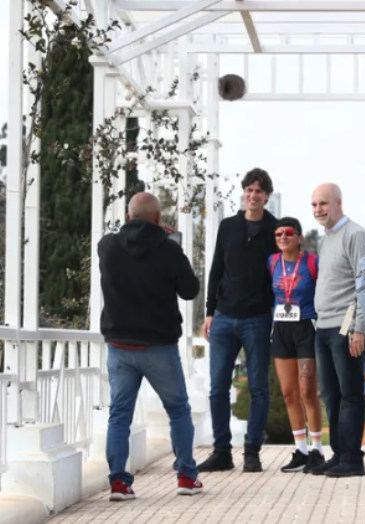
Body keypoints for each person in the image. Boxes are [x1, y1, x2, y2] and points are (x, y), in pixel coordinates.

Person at [98, 192, 203, 500]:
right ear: (159, 220)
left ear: (128, 217)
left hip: (119, 346)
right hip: (159, 347)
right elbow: (190, 290)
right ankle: (186, 477)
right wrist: (171, 244)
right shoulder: (169, 251)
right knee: (178, 411)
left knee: (119, 415)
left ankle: (119, 483)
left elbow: (119, 241)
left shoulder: (107, 247)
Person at [198, 168, 279, 473]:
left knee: (258, 388)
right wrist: (209, 312)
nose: (253, 195)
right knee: (217, 388)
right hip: (223, 318)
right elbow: (216, 269)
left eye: (259, 191)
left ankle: (252, 452)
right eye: (249, 190)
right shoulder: (228, 227)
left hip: (257, 319)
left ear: (266, 196)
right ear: (243, 193)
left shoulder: (275, 230)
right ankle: (221, 451)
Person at [310, 182, 365, 477]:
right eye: (314, 205)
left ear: (338, 203)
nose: (318, 209)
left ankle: (352, 458)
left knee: (350, 393)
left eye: (323, 203)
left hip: (345, 326)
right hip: (323, 326)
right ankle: (339, 453)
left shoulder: (355, 234)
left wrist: (359, 328)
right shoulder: (327, 237)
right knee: (331, 395)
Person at [268, 217, 326, 474]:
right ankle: (300, 450)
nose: (282, 237)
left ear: (299, 237)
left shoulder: (312, 263)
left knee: (307, 392)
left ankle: (317, 450)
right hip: (281, 328)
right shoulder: (271, 262)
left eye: (288, 233)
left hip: (305, 327)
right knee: (290, 393)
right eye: (278, 233)